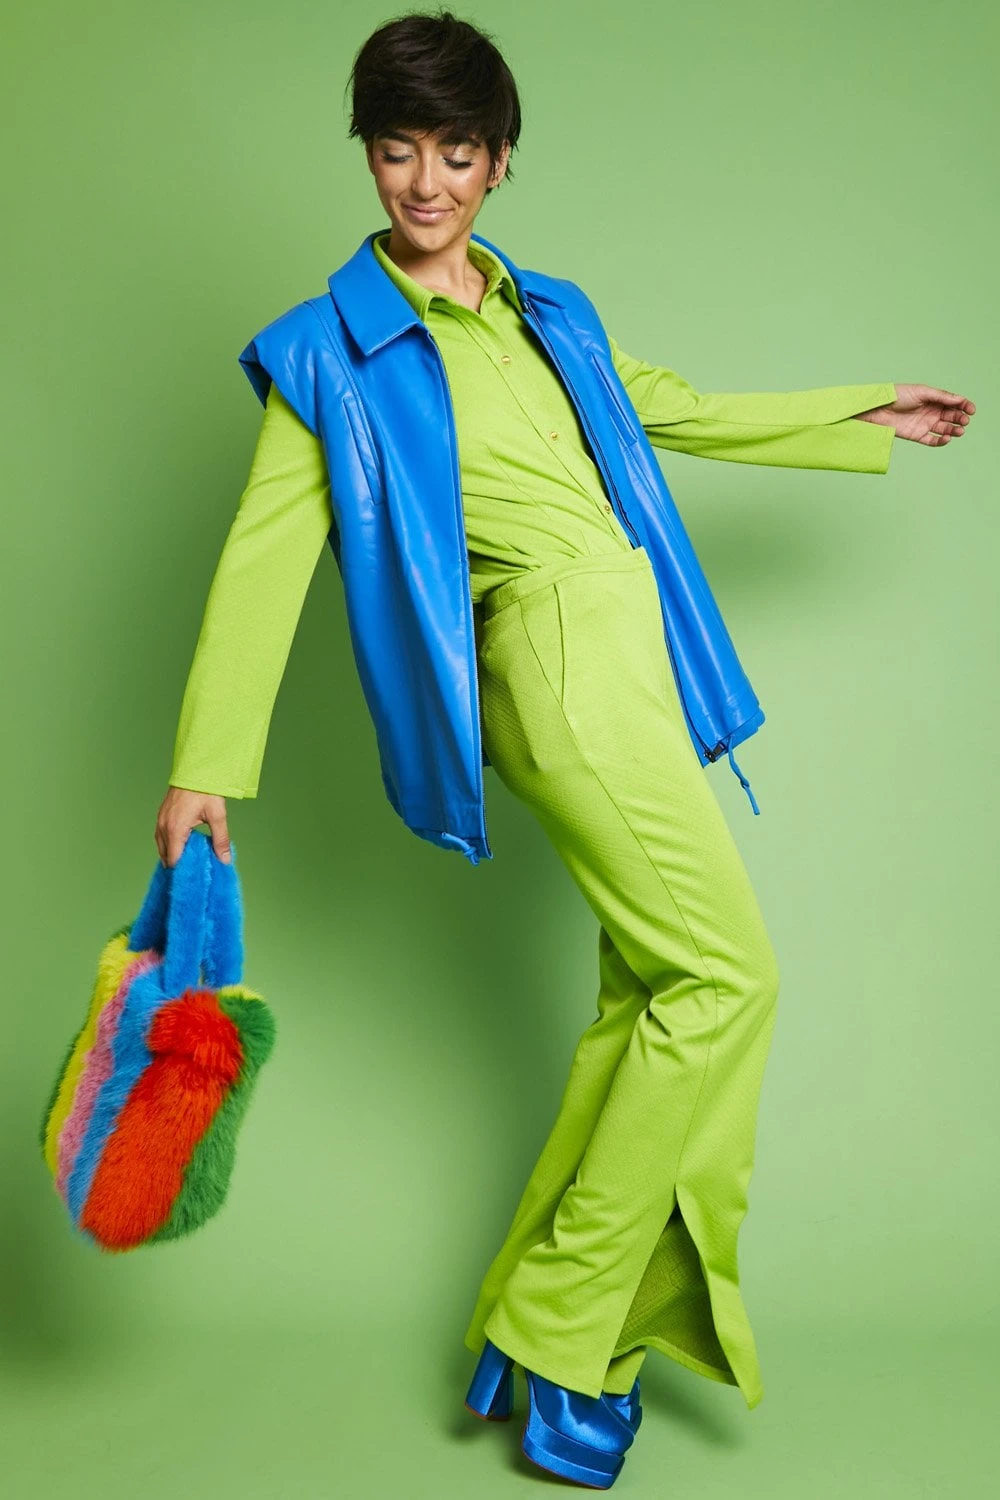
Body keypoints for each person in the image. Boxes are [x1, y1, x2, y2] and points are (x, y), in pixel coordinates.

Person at [154, 11, 975, 1489]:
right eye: (397, 149)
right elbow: (261, 566)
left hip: (634, 655)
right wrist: (204, 769)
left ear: (498, 161)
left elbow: (670, 413)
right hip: (551, 668)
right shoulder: (327, 355)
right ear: (367, 156)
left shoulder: (548, 315)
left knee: (649, 998)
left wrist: (860, 412)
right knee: (727, 979)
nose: (425, 182)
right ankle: (563, 1332)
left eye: (455, 151)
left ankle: (512, 1332)